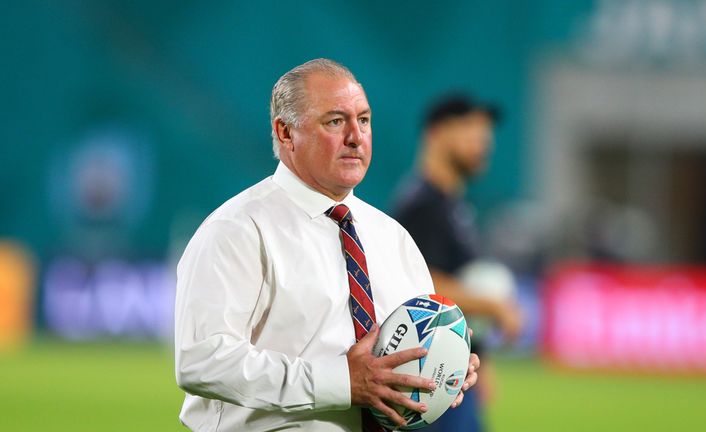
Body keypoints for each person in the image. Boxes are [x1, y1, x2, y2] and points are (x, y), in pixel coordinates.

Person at [174, 59, 480, 432]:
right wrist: (341, 382)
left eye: (364, 120)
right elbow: (202, 361)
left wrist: (443, 369)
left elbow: (408, 351)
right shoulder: (237, 230)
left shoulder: (393, 238)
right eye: (335, 121)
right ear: (285, 133)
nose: (355, 136)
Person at [392, 94, 523, 432]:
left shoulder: (452, 205)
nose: (484, 143)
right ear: (436, 133)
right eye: (471, 131)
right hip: (428, 372)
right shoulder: (421, 204)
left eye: (486, 135)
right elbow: (422, 285)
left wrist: (481, 357)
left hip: (452, 371)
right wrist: (495, 306)